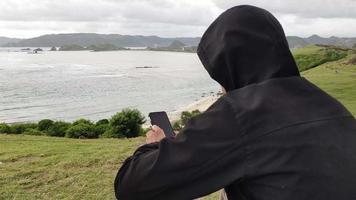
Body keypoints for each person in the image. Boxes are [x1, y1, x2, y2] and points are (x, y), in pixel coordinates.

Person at [114, 5, 356, 200]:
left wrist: (155, 147)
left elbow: (131, 186)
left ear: (228, 64)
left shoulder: (242, 113)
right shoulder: (332, 106)